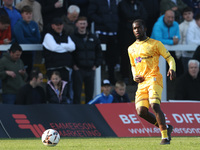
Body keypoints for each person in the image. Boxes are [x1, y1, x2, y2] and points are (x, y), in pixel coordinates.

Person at [128, 19, 176, 144]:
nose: (137, 30)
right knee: (141, 112)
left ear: (145, 28)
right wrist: (134, 76)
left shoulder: (155, 44)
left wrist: (172, 68)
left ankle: (164, 137)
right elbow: (133, 65)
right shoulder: (131, 48)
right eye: (134, 28)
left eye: (139, 27)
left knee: (154, 105)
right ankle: (167, 127)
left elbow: (169, 58)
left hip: (154, 79)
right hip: (142, 83)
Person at [42, 17, 75, 103]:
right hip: (53, 69)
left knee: (65, 92)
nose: (59, 27)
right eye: (57, 25)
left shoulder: (66, 36)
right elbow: (54, 48)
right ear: (52, 26)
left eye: (60, 25)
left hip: (65, 69)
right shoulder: (48, 36)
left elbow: (73, 47)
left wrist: (61, 45)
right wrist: (66, 47)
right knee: (53, 93)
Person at [71, 16, 102, 104]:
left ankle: (89, 112)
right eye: (80, 23)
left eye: (84, 23)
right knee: (77, 93)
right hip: (78, 70)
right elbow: (70, 53)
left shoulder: (93, 37)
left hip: (90, 69)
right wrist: (73, 65)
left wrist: (96, 65)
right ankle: (76, 111)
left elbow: (99, 52)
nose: (82, 25)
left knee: (89, 93)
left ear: (87, 24)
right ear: (77, 24)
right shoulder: (73, 37)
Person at [88, 0, 119, 84]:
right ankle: (99, 80)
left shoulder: (114, 2)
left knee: (112, 57)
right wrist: (102, 21)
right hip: (101, 32)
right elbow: (91, 13)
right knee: (100, 56)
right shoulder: (97, 1)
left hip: (113, 33)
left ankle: (112, 77)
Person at [118, 0, 148, 84]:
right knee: (125, 55)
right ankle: (125, 76)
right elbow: (126, 15)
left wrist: (134, 19)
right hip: (126, 33)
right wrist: (137, 18)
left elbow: (145, 15)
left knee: (138, 55)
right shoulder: (122, 4)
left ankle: (137, 77)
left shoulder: (139, 3)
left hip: (137, 34)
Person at [151, 9, 181, 76]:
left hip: (169, 50)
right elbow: (158, 40)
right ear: (164, 16)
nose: (170, 19)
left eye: (172, 17)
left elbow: (178, 37)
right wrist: (172, 41)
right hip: (155, 51)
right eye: (169, 17)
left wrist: (175, 40)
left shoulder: (176, 24)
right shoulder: (158, 25)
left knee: (176, 64)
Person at [14, 5, 41, 76]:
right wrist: (32, 39)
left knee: (30, 72)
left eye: (30, 14)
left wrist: (27, 38)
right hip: (21, 54)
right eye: (26, 14)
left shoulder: (34, 24)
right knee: (22, 73)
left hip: (31, 53)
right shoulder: (18, 25)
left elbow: (38, 39)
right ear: (22, 14)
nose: (29, 16)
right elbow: (21, 41)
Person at [177, 7, 195, 73]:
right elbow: (179, 40)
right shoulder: (180, 26)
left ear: (193, 14)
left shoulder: (197, 25)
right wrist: (178, 54)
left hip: (197, 53)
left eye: (189, 13)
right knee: (187, 73)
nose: (188, 15)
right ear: (183, 16)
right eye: (185, 14)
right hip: (185, 55)